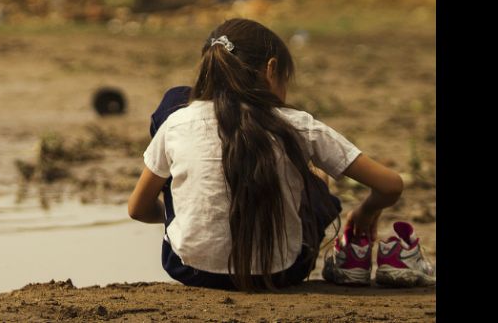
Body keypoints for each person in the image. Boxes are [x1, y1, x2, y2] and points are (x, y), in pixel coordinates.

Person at [128, 18, 435, 290]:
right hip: (284, 271)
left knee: (176, 101)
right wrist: (365, 213)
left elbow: (138, 209)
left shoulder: (178, 122)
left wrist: (188, 215)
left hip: (190, 268)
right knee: (317, 175)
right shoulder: (298, 126)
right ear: (272, 69)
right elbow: (391, 185)